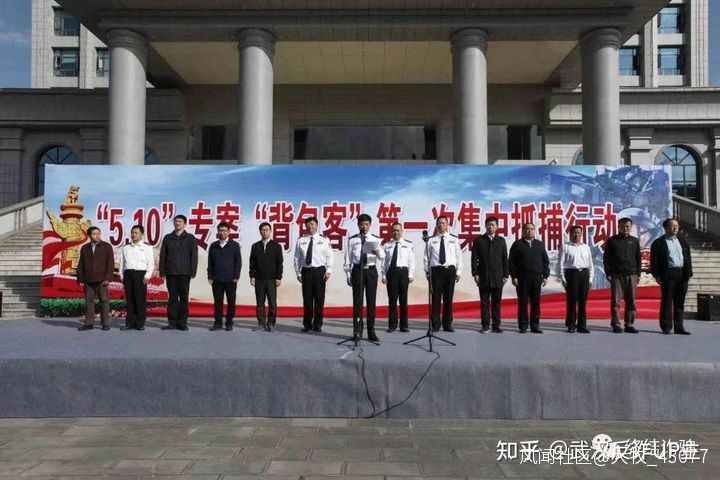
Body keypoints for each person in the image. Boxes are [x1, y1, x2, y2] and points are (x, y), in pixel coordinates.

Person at [344, 213, 384, 341]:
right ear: (358, 225)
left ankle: (371, 332)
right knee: (357, 302)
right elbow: (348, 258)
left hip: (371, 271)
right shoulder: (352, 240)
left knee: (371, 301)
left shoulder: (375, 239)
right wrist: (348, 274)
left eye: (366, 224)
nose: (364, 227)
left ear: (370, 225)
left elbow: (383, 256)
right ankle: (357, 331)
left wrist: (377, 253)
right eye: (362, 224)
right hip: (357, 270)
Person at [650, 218, 692, 335]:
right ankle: (666, 326)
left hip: (682, 273)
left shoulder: (682, 241)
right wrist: (657, 276)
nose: (675, 228)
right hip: (668, 274)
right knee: (667, 301)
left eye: (677, 226)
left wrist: (688, 273)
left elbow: (688, 258)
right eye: (672, 226)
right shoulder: (658, 243)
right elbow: (654, 261)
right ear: (665, 227)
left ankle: (679, 327)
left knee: (680, 302)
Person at [293, 216, 334, 333]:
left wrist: (329, 270)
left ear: (316, 225)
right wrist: (298, 273)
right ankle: (307, 324)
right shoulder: (301, 240)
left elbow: (330, 256)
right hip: (306, 272)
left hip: (320, 272)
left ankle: (318, 324)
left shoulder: (324, 239)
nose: (310, 226)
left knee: (319, 299)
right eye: (307, 225)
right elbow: (297, 258)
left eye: (312, 224)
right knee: (307, 299)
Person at [423, 215, 463, 332]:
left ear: (447, 225)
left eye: (443, 223)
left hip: (450, 271)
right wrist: (427, 272)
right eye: (439, 223)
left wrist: (458, 271)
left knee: (448, 299)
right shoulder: (431, 240)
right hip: (436, 271)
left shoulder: (454, 239)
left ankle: (447, 324)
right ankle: (435, 324)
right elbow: (426, 257)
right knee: (435, 299)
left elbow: (458, 256)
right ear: (436, 225)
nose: (441, 225)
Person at [159, 214, 198, 331]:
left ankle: (182, 323)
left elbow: (194, 255)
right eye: (176, 221)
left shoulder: (190, 238)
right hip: (171, 272)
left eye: (180, 221)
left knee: (184, 298)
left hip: (184, 273)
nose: (178, 223)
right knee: (172, 298)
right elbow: (163, 255)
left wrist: (193, 271)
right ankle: (172, 322)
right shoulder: (168, 238)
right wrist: (162, 271)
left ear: (185, 224)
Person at [509, 222, 549, 334]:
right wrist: (514, 276)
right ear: (523, 231)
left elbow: (545, 262)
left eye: (531, 229)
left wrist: (545, 276)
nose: (529, 231)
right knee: (523, 303)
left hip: (536, 278)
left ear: (534, 231)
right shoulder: (517, 244)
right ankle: (523, 326)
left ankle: (535, 326)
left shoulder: (539, 244)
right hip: (522, 279)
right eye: (527, 229)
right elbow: (511, 262)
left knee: (536, 303)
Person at [603, 217, 641, 334]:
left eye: (628, 226)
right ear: (618, 227)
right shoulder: (612, 240)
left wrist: (638, 274)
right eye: (623, 226)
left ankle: (629, 324)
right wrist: (608, 273)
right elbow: (606, 258)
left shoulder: (634, 241)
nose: (625, 228)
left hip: (631, 275)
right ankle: (616, 324)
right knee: (616, 302)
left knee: (631, 301)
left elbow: (638, 259)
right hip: (617, 275)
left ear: (631, 227)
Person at [471, 216, 508, 333]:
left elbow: (505, 259)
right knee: (484, 303)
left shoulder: (501, 241)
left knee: (497, 303)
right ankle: (485, 325)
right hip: (484, 276)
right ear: (485, 226)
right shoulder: (479, 240)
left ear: (497, 227)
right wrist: (475, 274)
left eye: (493, 225)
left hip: (498, 277)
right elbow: (474, 258)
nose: (490, 227)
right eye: (488, 225)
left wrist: (506, 275)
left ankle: (496, 325)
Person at [77, 226, 115, 331]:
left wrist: (107, 278)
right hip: (88, 280)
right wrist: (80, 279)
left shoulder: (106, 246)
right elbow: (81, 264)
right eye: (94, 234)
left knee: (104, 301)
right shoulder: (85, 248)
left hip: (102, 280)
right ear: (89, 235)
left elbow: (110, 264)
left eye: (98, 233)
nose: (97, 236)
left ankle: (105, 323)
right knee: (89, 302)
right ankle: (89, 323)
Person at [558, 225, 594, 333]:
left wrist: (590, 278)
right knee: (572, 301)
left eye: (579, 233)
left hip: (584, 274)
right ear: (570, 234)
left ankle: (582, 325)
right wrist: (562, 278)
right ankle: (571, 324)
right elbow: (560, 263)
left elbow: (590, 264)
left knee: (583, 302)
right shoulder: (565, 247)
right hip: (571, 274)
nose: (576, 235)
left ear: (581, 234)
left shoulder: (586, 247)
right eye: (574, 232)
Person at [207, 222, 241, 331]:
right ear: (217, 232)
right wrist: (210, 276)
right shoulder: (214, 245)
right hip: (217, 278)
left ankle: (229, 322)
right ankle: (217, 323)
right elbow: (210, 262)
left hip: (230, 279)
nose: (222, 232)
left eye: (225, 230)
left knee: (231, 302)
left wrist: (236, 276)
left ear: (229, 232)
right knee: (218, 303)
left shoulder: (234, 245)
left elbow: (238, 262)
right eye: (220, 230)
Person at [119, 224, 154, 331]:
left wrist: (147, 275)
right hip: (128, 274)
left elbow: (151, 263)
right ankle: (129, 323)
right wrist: (121, 275)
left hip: (140, 275)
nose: (133, 235)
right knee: (129, 300)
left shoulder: (147, 247)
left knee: (140, 299)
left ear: (142, 234)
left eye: (136, 233)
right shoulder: (126, 247)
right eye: (132, 233)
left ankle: (140, 323)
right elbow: (122, 263)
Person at [249, 222, 283, 331]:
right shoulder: (255, 246)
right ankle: (261, 323)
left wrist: (279, 277)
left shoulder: (276, 246)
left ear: (270, 231)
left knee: (272, 303)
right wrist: (252, 276)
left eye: (267, 230)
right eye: (262, 230)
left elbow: (279, 263)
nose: (265, 232)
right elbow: (252, 262)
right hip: (259, 279)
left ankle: (271, 323)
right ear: (260, 231)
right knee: (260, 303)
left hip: (271, 279)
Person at [381, 222, 415, 333]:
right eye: (394, 230)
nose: (396, 232)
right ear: (391, 232)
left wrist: (410, 274)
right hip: (391, 273)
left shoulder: (408, 244)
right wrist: (383, 275)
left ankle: (404, 325)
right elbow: (384, 263)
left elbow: (411, 261)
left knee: (403, 300)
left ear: (401, 231)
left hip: (403, 273)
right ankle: (392, 325)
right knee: (392, 300)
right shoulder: (387, 245)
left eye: (398, 230)